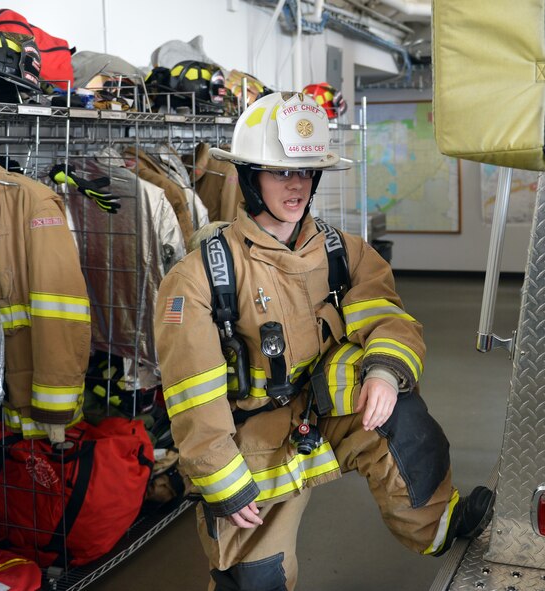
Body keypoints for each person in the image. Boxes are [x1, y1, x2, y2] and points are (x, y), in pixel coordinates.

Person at [154, 92, 494, 591]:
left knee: (401, 410)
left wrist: (382, 373)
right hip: (253, 441)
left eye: (305, 172)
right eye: (280, 172)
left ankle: (438, 525)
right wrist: (220, 480)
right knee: (254, 581)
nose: (296, 185)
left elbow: (387, 318)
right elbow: (192, 394)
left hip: (326, 412)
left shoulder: (342, 251)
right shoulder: (201, 276)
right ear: (250, 178)